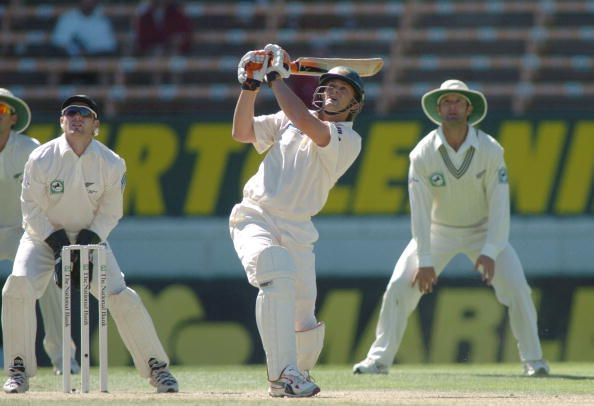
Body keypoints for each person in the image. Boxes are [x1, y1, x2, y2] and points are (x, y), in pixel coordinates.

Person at [352, 79, 549, 377]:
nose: (452, 107)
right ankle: (378, 361)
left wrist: (491, 250)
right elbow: (419, 211)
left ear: (469, 108)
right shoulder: (422, 153)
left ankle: (534, 361)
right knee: (398, 287)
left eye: (458, 101)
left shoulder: (490, 149)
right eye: (446, 102)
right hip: (437, 230)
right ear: (438, 109)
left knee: (518, 289)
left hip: (483, 230)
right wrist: (426, 259)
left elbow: (500, 207)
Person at [2, 94, 179, 394]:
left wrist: (89, 238)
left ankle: (156, 368)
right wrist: (57, 243)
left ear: (96, 124)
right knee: (17, 285)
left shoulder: (111, 162)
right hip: (42, 239)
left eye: (84, 113)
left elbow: (111, 212)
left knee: (121, 296)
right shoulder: (41, 158)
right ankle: (18, 369)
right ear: (61, 121)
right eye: (70, 112)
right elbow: (30, 208)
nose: (76, 117)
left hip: (91, 241)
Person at [230, 43, 365, 397]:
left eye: (341, 90)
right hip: (255, 215)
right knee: (274, 273)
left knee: (303, 319)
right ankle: (282, 374)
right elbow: (242, 133)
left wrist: (274, 79)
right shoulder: (288, 118)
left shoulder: (348, 139)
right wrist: (249, 89)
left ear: (354, 105)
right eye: (328, 87)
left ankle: (293, 375)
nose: (332, 92)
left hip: (299, 227)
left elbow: (309, 126)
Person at [0, 88, 80, 376]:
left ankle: (64, 360)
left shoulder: (28, 149)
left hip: (25, 231)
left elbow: (48, 195)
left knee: (49, 284)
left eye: (0, 111)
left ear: (12, 119)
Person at [51, 0, 117, 57]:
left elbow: (108, 47)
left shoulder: (103, 19)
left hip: (96, 58)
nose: (88, 2)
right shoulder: (67, 17)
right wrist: (75, 50)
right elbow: (59, 42)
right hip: (69, 58)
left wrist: (87, 52)